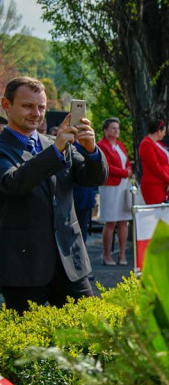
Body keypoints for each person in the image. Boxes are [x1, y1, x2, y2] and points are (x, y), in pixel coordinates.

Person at [0, 77, 108, 313]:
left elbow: (94, 178)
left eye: (41, 107)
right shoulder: (6, 148)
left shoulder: (56, 144)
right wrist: (56, 150)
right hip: (23, 268)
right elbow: (14, 183)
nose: (36, 113)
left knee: (93, 334)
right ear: (6, 105)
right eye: (27, 106)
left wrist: (91, 150)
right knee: (28, 346)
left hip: (71, 264)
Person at [96, 118, 133, 265]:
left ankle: (122, 254)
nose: (116, 131)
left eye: (117, 128)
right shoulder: (101, 146)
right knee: (111, 222)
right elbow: (107, 166)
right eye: (112, 128)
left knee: (123, 221)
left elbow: (127, 161)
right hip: (110, 186)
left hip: (123, 186)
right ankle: (106, 255)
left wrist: (128, 169)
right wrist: (125, 172)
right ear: (105, 130)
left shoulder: (120, 145)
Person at [139, 118, 169, 204]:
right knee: (157, 213)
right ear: (158, 131)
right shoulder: (146, 144)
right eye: (164, 131)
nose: (164, 134)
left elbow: (166, 163)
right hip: (153, 185)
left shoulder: (159, 143)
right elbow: (155, 166)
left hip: (163, 185)